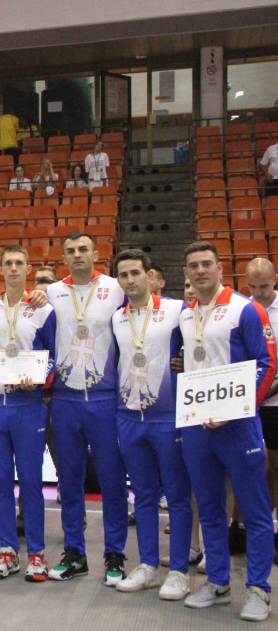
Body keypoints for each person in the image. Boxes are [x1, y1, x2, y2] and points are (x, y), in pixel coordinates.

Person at [180, 241, 275, 621]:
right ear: (185, 274)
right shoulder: (186, 315)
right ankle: (217, 582)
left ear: (220, 268)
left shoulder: (245, 309)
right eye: (193, 266)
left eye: (206, 264)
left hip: (237, 426)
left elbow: (267, 365)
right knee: (210, 508)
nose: (200, 271)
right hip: (196, 427)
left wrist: (235, 407)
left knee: (254, 511)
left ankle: (258, 589)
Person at [45, 232, 130, 584]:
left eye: (83, 249)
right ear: (63, 257)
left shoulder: (116, 288)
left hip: (104, 396)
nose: (77, 255)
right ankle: (75, 552)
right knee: (69, 481)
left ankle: (114, 555)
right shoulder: (51, 293)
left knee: (112, 480)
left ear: (96, 253)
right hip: (65, 399)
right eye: (70, 250)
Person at [109, 250, 193, 599]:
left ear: (150, 274)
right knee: (142, 495)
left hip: (168, 417)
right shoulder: (117, 318)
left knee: (176, 496)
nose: (130, 280)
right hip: (129, 416)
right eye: (123, 274)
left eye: (136, 273)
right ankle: (147, 564)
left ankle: (178, 571)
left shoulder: (176, 311)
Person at [0, 246, 55, 580]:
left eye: (19, 263)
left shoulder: (42, 309)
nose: (13, 268)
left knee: (32, 483)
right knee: (1, 483)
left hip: (27, 405)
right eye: (7, 263)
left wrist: (38, 381)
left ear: (27, 269)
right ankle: (8, 551)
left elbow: (54, 358)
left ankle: (36, 553)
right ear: (0, 268)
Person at [245, 257, 278, 561]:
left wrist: (265, 390)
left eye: (264, 287)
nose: (258, 292)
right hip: (248, 401)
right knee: (253, 469)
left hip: (274, 402)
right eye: (252, 287)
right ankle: (244, 528)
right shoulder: (245, 308)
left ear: (275, 280)